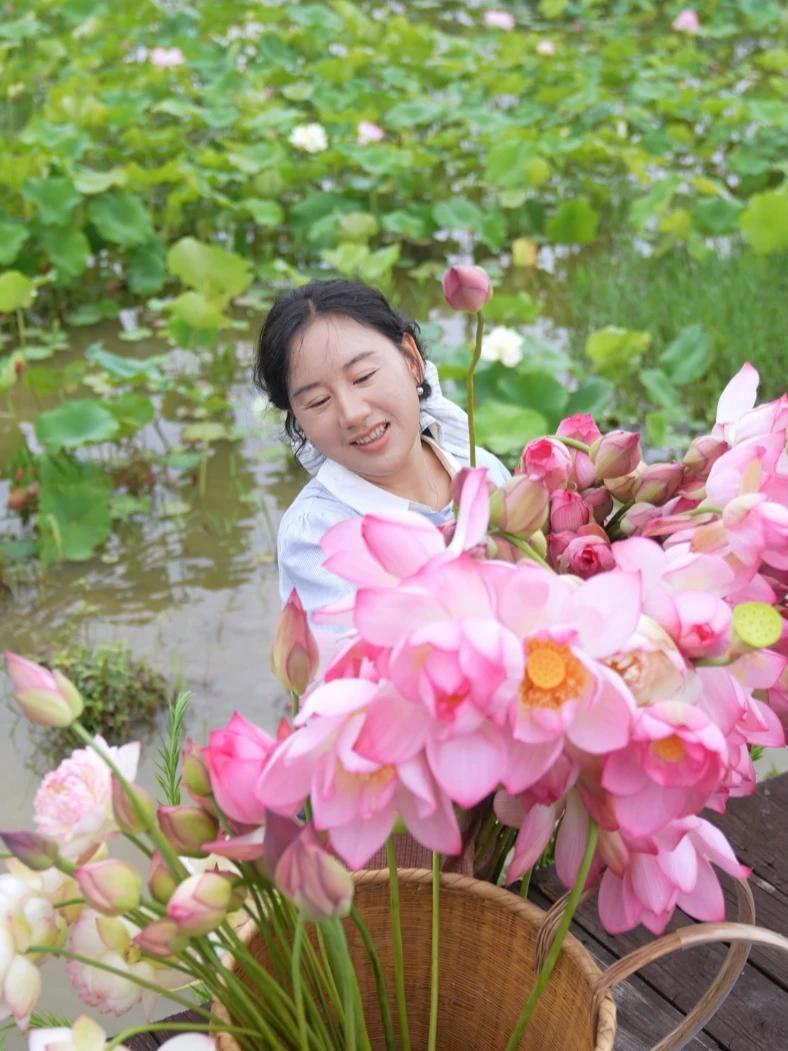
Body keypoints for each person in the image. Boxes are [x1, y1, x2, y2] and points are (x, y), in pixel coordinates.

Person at [253, 278, 511, 621]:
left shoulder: (480, 468)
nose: (352, 413)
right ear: (299, 421)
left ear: (411, 360)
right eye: (318, 401)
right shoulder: (316, 534)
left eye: (363, 377)